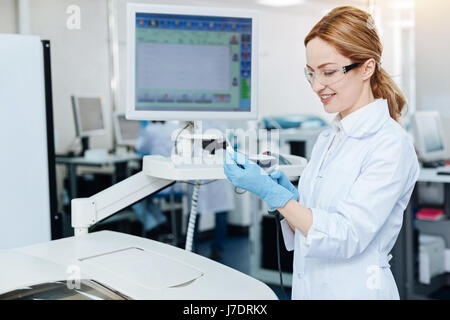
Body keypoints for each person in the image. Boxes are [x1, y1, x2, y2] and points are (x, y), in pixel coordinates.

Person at [224, 6, 419, 299]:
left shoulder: (391, 144)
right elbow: (317, 219)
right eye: (311, 74)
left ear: (367, 67)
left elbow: (347, 235)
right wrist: (290, 199)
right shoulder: (328, 137)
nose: (317, 86)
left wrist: (277, 197)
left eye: (328, 72)